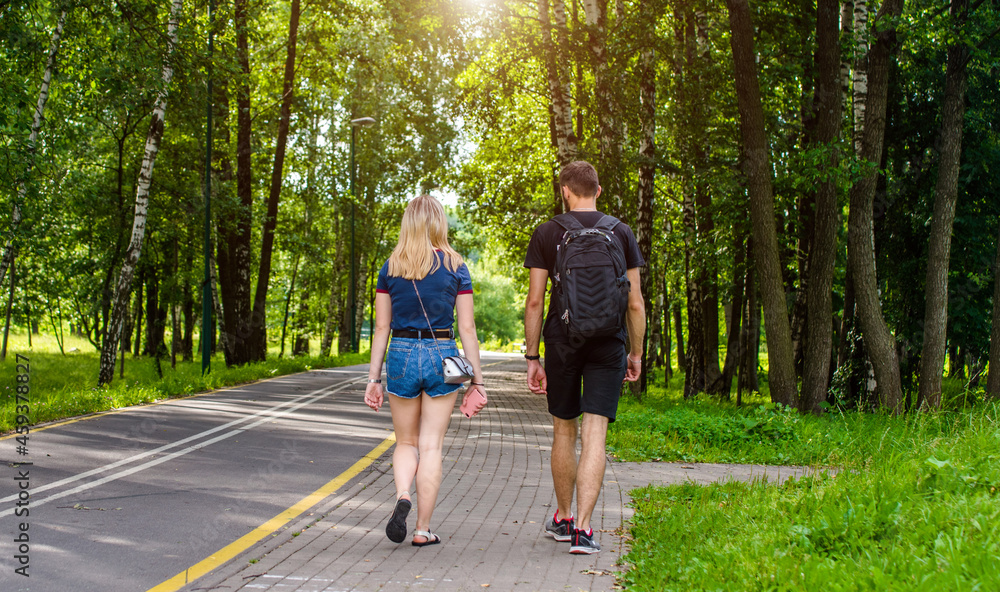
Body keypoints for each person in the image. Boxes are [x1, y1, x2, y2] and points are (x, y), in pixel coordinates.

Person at [523, 161, 645, 554]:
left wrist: (531, 356)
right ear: (599, 190)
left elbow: (536, 301)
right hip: (609, 342)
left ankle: (563, 517)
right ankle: (586, 530)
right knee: (596, 434)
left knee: (564, 431)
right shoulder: (621, 232)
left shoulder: (547, 233)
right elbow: (636, 303)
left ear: (565, 191)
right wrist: (636, 352)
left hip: (562, 340)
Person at [364, 194, 488, 547]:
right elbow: (468, 328)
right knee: (431, 446)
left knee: (405, 442)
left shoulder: (391, 267)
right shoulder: (455, 265)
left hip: (401, 353)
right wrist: (476, 381)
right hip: (442, 354)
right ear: (439, 223)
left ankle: (403, 493)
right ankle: (422, 529)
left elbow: (381, 328)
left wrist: (373, 379)